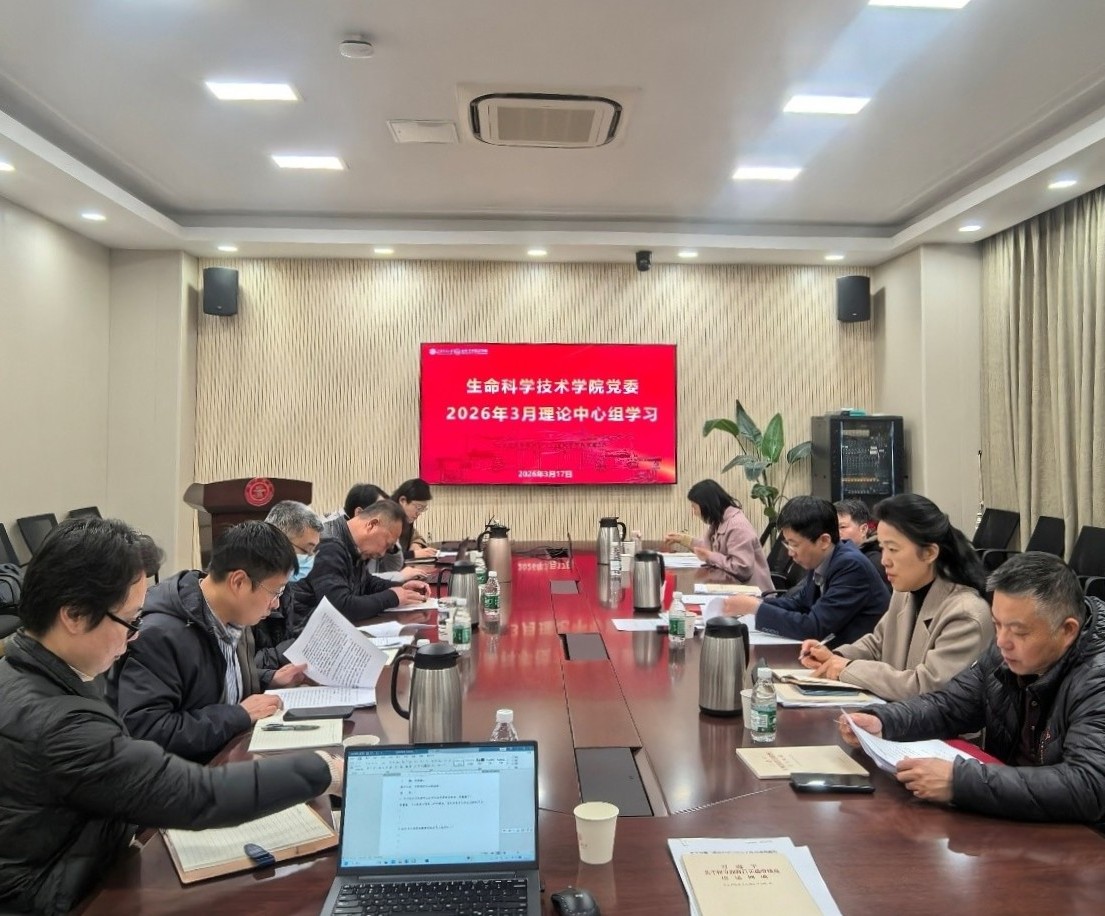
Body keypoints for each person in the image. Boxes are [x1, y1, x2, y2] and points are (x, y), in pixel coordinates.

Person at [0, 518, 341, 915]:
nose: (136, 635)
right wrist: (323, 768)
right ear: (74, 616)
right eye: (130, 620)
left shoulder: (30, 672)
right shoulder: (60, 725)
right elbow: (199, 795)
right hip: (61, 899)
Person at [842, 552, 1105, 825]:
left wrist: (959, 782)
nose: (1001, 641)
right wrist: (884, 720)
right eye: (997, 624)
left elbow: (1089, 784)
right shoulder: (1006, 653)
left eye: (1019, 631)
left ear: (1067, 630)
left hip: (1082, 837)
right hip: (1014, 817)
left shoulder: (1097, 678)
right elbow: (950, 705)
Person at [107, 521, 310, 763]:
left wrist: (269, 678)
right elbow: (147, 729)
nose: (276, 604)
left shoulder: (235, 612)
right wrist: (238, 715)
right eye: (276, 592)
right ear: (239, 582)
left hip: (233, 749)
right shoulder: (161, 634)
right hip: (192, 772)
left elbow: (213, 681)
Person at [800, 494, 993, 700]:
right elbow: (878, 644)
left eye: (893, 549)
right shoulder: (904, 592)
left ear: (929, 553)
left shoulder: (965, 613)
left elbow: (927, 688)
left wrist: (847, 668)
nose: (884, 560)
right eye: (882, 548)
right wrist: (834, 657)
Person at [724, 496, 889, 644]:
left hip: (854, 657)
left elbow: (813, 628)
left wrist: (756, 609)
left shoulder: (850, 566)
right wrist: (756, 603)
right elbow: (800, 604)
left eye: (794, 544)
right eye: (787, 544)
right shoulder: (824, 557)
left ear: (824, 541)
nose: (790, 553)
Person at [291, 499, 430, 627]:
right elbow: (339, 608)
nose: (382, 554)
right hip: (305, 636)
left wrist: (402, 588)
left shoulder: (351, 544)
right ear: (372, 525)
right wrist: (393, 597)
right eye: (387, 544)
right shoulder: (327, 544)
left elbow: (366, 583)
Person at [251, 500, 324, 674]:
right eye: (306, 551)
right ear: (279, 542)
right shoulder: (249, 582)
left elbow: (284, 637)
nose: (310, 558)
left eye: (314, 551)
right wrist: (293, 647)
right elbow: (243, 667)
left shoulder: (286, 584)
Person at [664, 479, 772, 591]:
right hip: (734, 587)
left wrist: (710, 556)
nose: (694, 512)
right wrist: (683, 539)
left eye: (694, 507)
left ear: (706, 505)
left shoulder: (737, 526)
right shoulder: (719, 521)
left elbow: (742, 569)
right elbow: (709, 549)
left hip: (753, 593)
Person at [835, 498, 889, 587]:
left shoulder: (874, 563)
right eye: (833, 527)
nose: (836, 533)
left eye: (842, 527)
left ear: (863, 529)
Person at [392, 477, 437, 559]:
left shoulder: (406, 519)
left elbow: (417, 537)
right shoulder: (387, 519)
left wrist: (416, 544)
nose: (419, 513)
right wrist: (413, 554)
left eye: (423, 509)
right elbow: (384, 558)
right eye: (418, 508)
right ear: (403, 501)